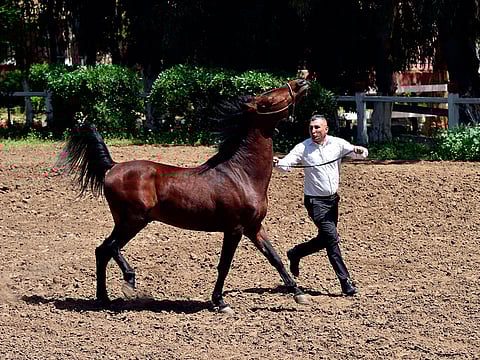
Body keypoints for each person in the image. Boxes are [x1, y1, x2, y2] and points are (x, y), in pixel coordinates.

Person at [273, 114, 368, 296]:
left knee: (325, 239)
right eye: (311, 128)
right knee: (332, 239)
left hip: (333, 201)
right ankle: (345, 281)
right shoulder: (303, 148)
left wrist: (358, 150)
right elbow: (287, 164)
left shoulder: (337, 144)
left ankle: (296, 253)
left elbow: (361, 154)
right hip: (315, 202)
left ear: (326, 129)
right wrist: (278, 162)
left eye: (317, 127)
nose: (313, 131)